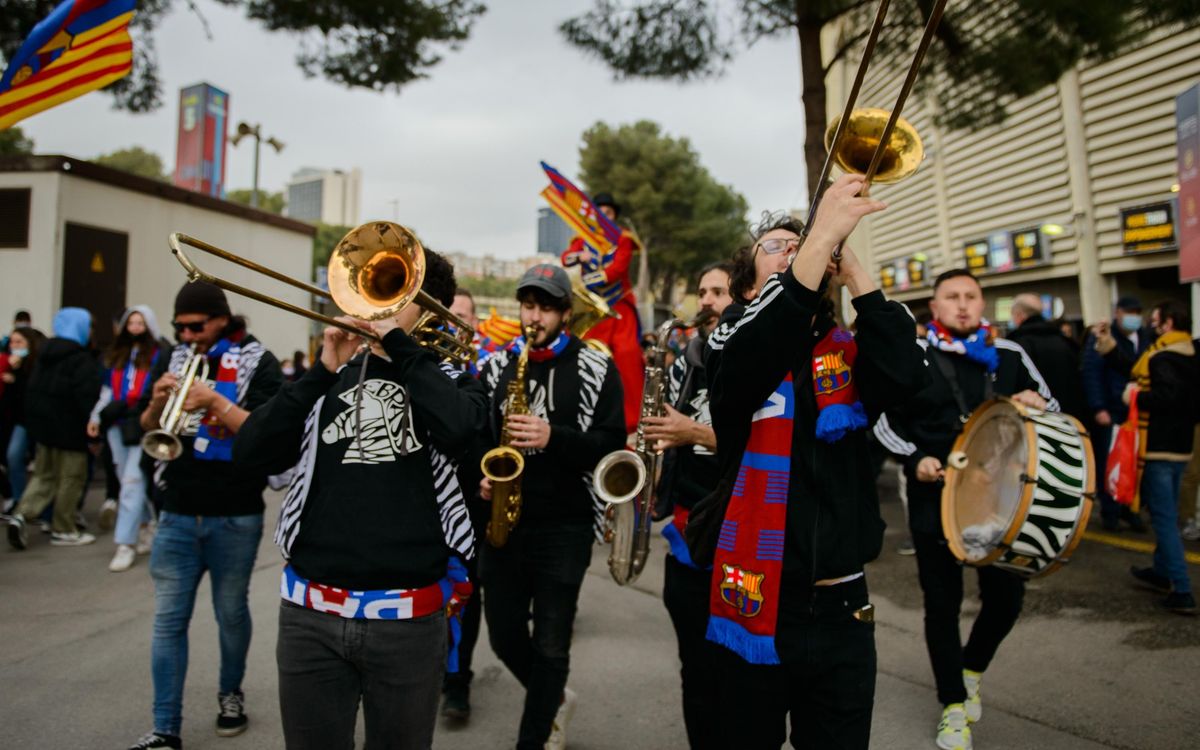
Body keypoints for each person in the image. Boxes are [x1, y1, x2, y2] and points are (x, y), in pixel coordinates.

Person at [685, 177, 928, 750]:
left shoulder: (846, 351)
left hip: (843, 608)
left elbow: (908, 376)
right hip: (758, 599)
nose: (794, 249)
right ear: (746, 286)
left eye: (802, 243)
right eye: (777, 246)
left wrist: (857, 275)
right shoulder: (730, 340)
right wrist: (818, 240)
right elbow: (756, 351)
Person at [235, 247, 485, 749]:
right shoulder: (329, 377)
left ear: (428, 306)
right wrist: (321, 370)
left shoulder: (453, 380)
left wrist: (399, 346)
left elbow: (463, 430)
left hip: (408, 623)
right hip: (311, 616)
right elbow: (250, 451)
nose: (379, 309)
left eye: (397, 295)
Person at [874, 268, 1057, 750]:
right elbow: (884, 421)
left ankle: (970, 668)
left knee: (1007, 599)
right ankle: (953, 705)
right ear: (934, 308)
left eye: (970, 297)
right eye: (951, 297)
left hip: (1002, 500)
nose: (961, 304)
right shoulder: (915, 356)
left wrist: (1036, 402)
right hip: (937, 497)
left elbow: (1053, 408)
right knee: (942, 605)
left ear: (982, 304)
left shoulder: (1011, 354)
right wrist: (916, 457)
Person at [126, 282, 283, 750]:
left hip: (236, 512)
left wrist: (215, 401)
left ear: (221, 319)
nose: (187, 335)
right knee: (168, 621)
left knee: (231, 613)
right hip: (176, 509)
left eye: (195, 326)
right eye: (180, 327)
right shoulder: (173, 357)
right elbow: (146, 428)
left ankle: (230, 694)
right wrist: (158, 401)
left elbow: (268, 436)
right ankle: (164, 727)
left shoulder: (261, 361)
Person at [477, 264, 626, 750]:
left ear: (565, 312)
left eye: (544, 307)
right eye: (527, 305)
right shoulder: (499, 366)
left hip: (565, 524)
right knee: (502, 637)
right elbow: (478, 436)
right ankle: (555, 700)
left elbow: (610, 444)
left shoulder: (595, 366)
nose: (533, 317)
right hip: (507, 521)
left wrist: (552, 436)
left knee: (551, 642)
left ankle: (534, 737)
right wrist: (480, 476)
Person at [641, 261, 732, 750]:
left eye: (719, 291)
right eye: (702, 291)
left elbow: (769, 445)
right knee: (694, 670)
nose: (708, 300)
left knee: (738, 673)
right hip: (685, 542)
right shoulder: (684, 365)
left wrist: (693, 432)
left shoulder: (754, 361)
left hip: (740, 542)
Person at [1093, 301, 1198, 614]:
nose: (1150, 325)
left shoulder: (1164, 357)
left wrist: (1133, 395)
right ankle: (1162, 571)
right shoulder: (1189, 353)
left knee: (1164, 519)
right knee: (1168, 515)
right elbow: (1135, 367)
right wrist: (1108, 345)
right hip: (1182, 447)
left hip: (1157, 448)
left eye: (1155, 321)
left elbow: (1165, 395)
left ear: (1166, 324)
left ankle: (1181, 588)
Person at [7, 308, 102, 549]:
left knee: (43, 476)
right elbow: (86, 399)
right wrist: (93, 430)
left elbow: (33, 391)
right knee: (71, 478)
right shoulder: (82, 360)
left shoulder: (43, 355)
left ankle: (21, 515)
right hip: (71, 431)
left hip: (44, 430)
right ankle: (64, 528)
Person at [441, 284, 488, 723]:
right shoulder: (423, 367)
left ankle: (458, 684)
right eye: (450, 314)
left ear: (475, 326)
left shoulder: (486, 374)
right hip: (423, 508)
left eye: (466, 316)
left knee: (463, 599)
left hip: (471, 506)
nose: (458, 323)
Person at [87, 306, 162, 572]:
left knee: (131, 480)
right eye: (131, 322)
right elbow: (106, 392)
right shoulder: (116, 355)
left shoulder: (157, 355)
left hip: (141, 424)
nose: (135, 327)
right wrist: (96, 418)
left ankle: (124, 544)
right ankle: (145, 526)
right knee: (125, 478)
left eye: (140, 322)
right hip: (116, 425)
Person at [560, 192, 644, 433]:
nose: (604, 216)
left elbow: (616, 270)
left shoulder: (623, 240)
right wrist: (581, 255)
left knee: (627, 355)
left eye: (608, 213)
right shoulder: (582, 239)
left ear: (614, 216)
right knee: (583, 357)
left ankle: (632, 423)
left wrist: (593, 271)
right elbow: (566, 259)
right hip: (593, 311)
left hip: (618, 308)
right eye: (600, 213)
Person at [1081, 297, 1151, 532]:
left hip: (1137, 412)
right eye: (1129, 311)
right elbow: (1092, 373)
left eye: (1137, 311)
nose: (1133, 316)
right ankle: (1110, 510)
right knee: (1109, 462)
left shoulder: (1146, 338)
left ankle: (1130, 508)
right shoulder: (1102, 336)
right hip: (1111, 411)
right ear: (1117, 313)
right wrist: (1099, 407)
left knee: (1134, 463)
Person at [1007, 293, 1086, 421]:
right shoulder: (1065, 342)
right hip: (1072, 423)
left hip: (1037, 425)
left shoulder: (1015, 347)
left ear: (1019, 315)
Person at [1, 325, 45, 511]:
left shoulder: (37, 365)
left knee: (34, 462)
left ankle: (37, 504)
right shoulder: (9, 365)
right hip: (14, 420)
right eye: (12, 342)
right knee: (13, 457)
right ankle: (17, 499)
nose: (14, 346)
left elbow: (32, 393)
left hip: (32, 420)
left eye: (19, 342)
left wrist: (16, 376)